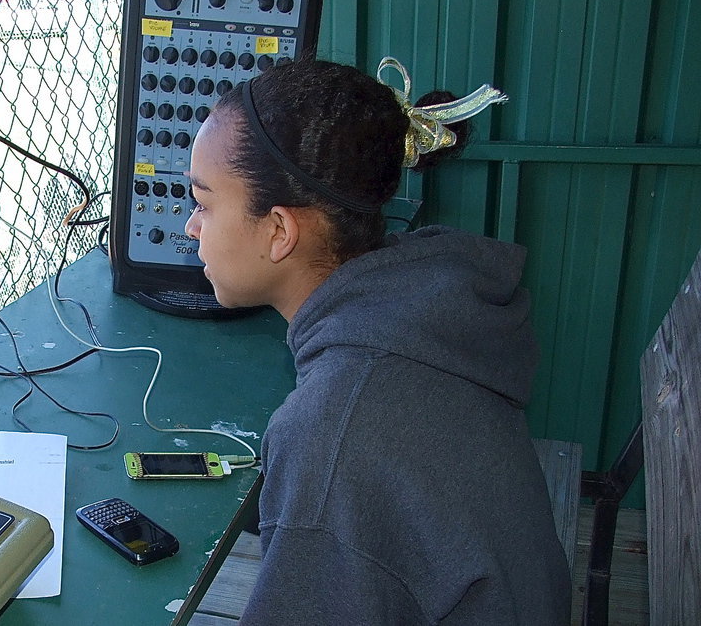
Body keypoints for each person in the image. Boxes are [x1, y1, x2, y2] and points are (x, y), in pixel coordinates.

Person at [184, 56, 571, 624]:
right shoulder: (427, 312)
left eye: (204, 202)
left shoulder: (330, 433)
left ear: (279, 231)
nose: (191, 226)